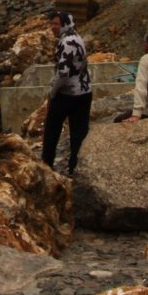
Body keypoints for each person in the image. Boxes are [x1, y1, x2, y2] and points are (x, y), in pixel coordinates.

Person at [41, 11, 93, 176]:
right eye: (52, 24)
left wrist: (52, 92)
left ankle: (46, 167)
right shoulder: (78, 37)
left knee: (51, 131)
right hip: (84, 93)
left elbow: (63, 73)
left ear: (65, 24)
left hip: (69, 94)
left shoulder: (67, 42)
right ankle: (74, 168)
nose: (53, 27)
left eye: (56, 24)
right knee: (79, 133)